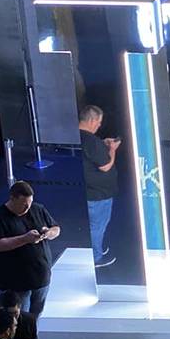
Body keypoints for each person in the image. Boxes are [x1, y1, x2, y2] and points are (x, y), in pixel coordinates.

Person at [0, 182, 59, 318]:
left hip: (41, 276)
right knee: (15, 318)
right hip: (15, 282)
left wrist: (48, 233)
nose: (27, 207)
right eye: (23, 204)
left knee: (36, 314)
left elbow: (56, 228)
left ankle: (30, 336)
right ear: (12, 198)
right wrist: (25, 239)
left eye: (30, 203)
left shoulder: (37, 209)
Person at [78, 105, 120, 268]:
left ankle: (96, 249)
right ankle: (95, 256)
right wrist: (112, 149)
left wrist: (103, 145)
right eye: (99, 122)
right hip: (98, 194)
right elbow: (105, 166)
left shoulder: (81, 138)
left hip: (89, 192)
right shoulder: (91, 141)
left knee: (95, 225)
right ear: (92, 120)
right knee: (98, 226)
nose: (99, 125)